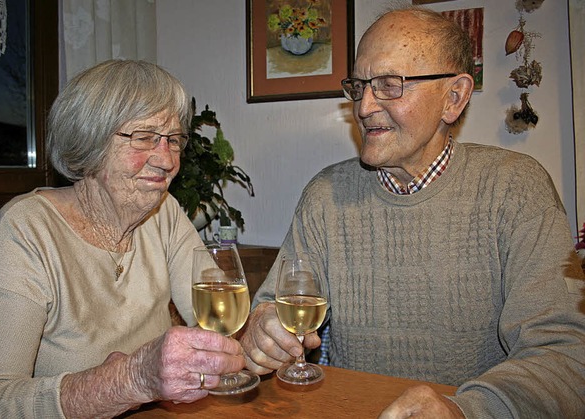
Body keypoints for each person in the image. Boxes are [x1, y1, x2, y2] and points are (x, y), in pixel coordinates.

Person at [239, 6, 585, 418]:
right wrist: (263, 330)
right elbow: (274, 307)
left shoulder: (515, 189)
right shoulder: (325, 195)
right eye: (359, 85)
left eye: (388, 85)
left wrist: (465, 410)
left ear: (453, 98)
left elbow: (565, 356)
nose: (364, 106)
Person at [0, 60, 245, 418]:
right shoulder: (28, 229)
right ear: (91, 141)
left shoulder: (164, 212)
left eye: (174, 140)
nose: (167, 160)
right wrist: (129, 380)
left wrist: (258, 334)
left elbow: (217, 314)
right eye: (144, 137)